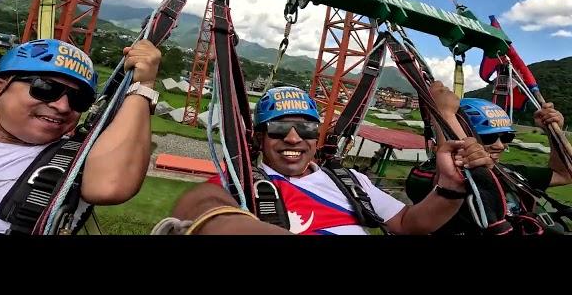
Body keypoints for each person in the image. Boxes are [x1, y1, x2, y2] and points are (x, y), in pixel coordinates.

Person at [170, 82, 493, 235]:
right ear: (259, 137)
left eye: (306, 128)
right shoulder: (241, 184)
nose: (294, 138)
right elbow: (200, 209)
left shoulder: (348, 181)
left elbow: (409, 223)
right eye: (280, 128)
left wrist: (450, 187)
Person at [0, 38, 161, 234]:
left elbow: (111, 185)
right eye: (45, 88)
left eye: (78, 100)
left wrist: (143, 86)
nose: (62, 106)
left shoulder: (73, 165)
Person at [405, 97, 569, 234]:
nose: (500, 145)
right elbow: (450, 180)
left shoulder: (509, 173)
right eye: (488, 138)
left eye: (506, 137)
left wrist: (554, 133)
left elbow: (564, 174)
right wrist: (445, 118)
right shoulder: (425, 175)